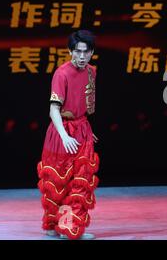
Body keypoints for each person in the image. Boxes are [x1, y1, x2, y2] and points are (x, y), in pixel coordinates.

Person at [37, 30, 99, 239]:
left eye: (86, 52)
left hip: (81, 129)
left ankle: (69, 228)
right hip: (62, 130)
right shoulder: (61, 73)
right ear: (70, 51)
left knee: (79, 181)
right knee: (60, 181)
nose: (82, 56)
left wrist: (87, 132)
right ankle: (58, 226)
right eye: (78, 51)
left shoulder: (91, 72)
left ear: (91, 52)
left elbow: (83, 106)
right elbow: (53, 109)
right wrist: (64, 135)